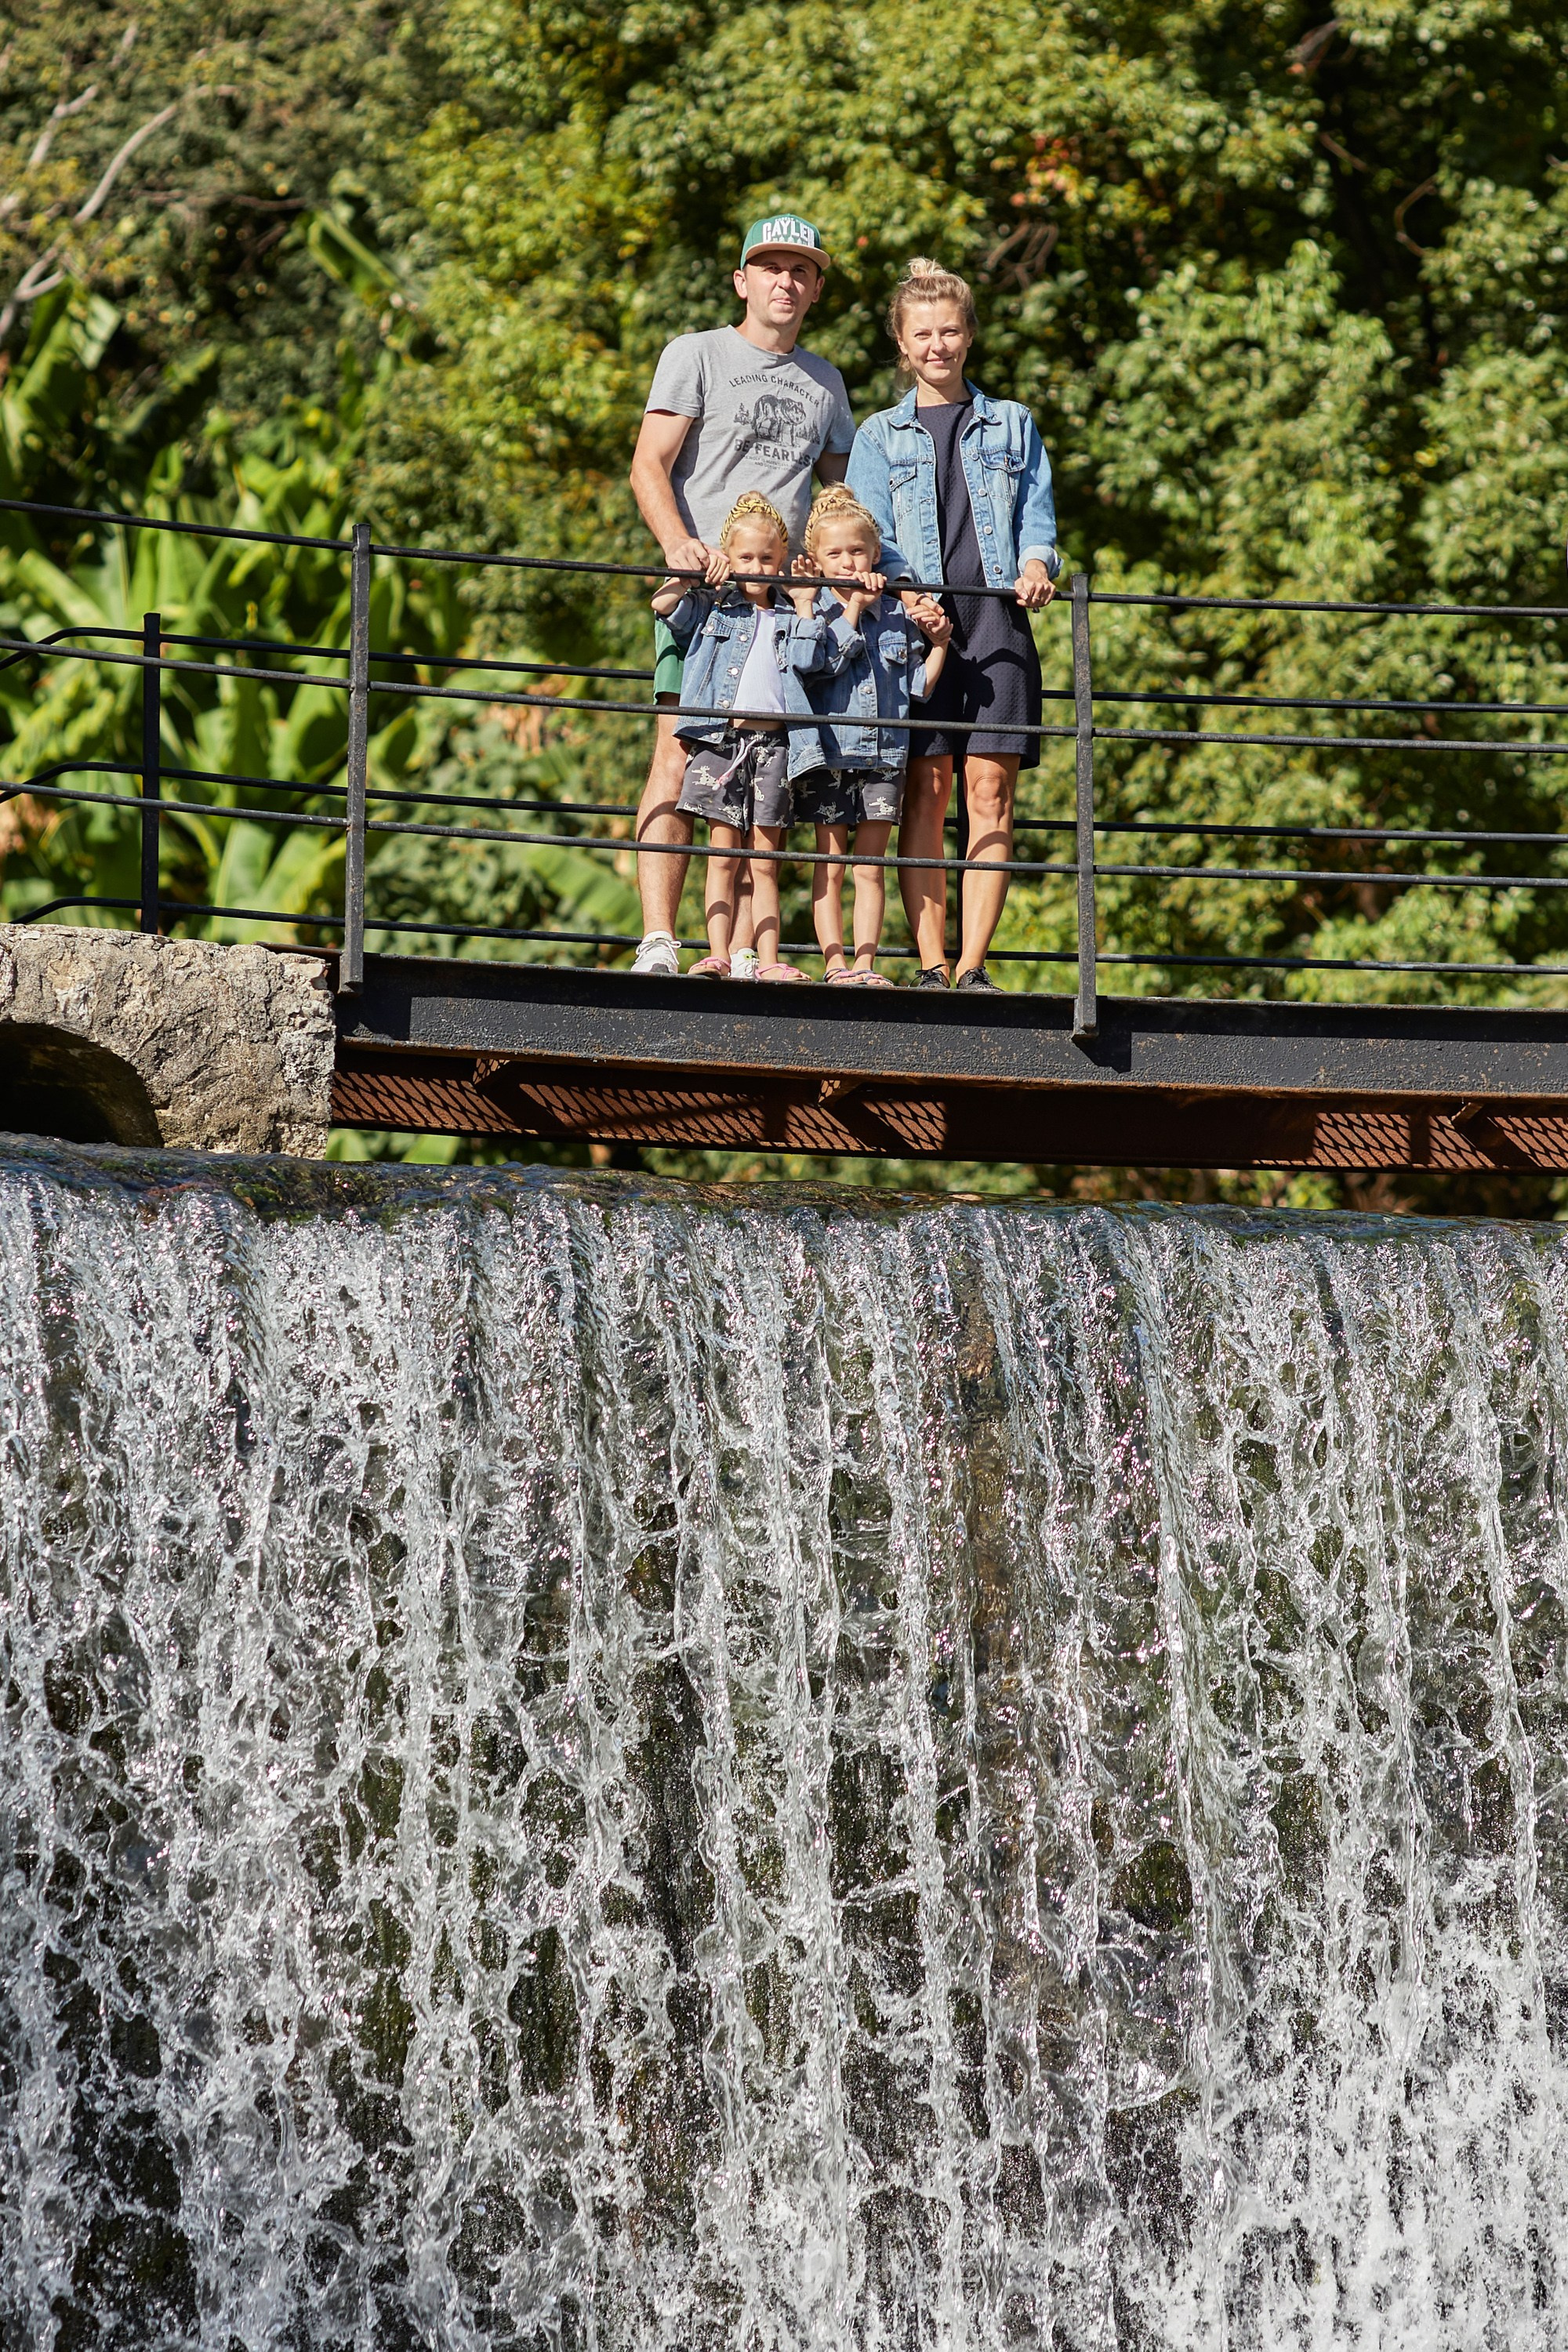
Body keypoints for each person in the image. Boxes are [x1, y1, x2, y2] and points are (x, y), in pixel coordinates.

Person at [627, 214, 857, 976]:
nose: (784, 281)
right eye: (770, 267)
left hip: (782, 611)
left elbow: (841, 496)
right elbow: (649, 465)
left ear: (815, 288)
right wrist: (678, 546)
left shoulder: (825, 382)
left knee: (772, 774)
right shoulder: (696, 354)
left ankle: (752, 952)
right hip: (704, 600)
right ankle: (660, 940)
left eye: (800, 270)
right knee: (676, 756)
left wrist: (844, 572)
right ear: (741, 280)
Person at [847, 257, 1060, 993]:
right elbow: (872, 534)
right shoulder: (878, 435)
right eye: (922, 335)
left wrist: (1036, 565)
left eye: (948, 332)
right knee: (927, 790)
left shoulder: (1014, 423)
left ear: (969, 336)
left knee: (990, 794)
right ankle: (931, 966)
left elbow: (1036, 518)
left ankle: (973, 967)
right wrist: (908, 596)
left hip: (999, 621)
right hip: (916, 629)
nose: (936, 346)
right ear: (903, 346)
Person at [785, 485, 951, 985]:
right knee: (831, 861)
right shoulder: (812, 610)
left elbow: (919, 688)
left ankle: (865, 964)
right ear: (817, 560)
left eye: (857, 551)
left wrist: (940, 644)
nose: (847, 561)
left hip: (884, 758)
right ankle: (834, 964)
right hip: (830, 754)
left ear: (877, 554)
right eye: (834, 553)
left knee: (870, 865)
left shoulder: (898, 615)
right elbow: (809, 664)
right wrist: (853, 608)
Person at [650, 492, 819, 982]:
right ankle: (718, 954)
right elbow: (663, 605)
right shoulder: (713, 608)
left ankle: (767, 959)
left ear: (781, 560)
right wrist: (692, 573)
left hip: (776, 748)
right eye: (745, 557)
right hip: (721, 745)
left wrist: (806, 604)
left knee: (765, 861)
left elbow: (813, 659)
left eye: (767, 558)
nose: (757, 567)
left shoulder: (790, 615)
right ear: (729, 556)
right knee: (723, 856)